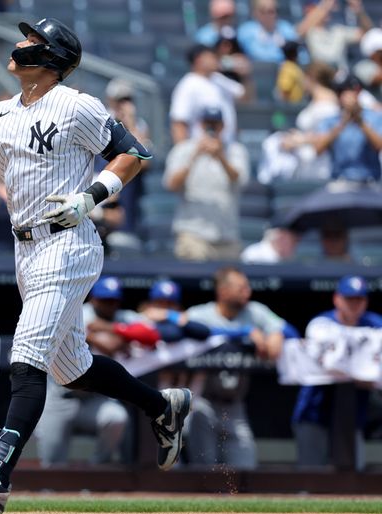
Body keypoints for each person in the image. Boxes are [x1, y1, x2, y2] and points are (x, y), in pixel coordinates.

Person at [0, 17, 192, 514]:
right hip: (26, 249)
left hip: (69, 242)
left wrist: (90, 199)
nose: (19, 44)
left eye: (31, 40)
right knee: (72, 369)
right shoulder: (1, 111)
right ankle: (163, 407)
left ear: (50, 58)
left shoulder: (77, 105)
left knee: (26, 355)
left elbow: (132, 154)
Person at [184, 266, 286, 469]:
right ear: (223, 291)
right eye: (241, 288)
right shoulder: (201, 313)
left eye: (247, 287)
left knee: (245, 465)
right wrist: (244, 332)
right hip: (203, 403)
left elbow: (282, 328)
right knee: (204, 468)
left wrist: (275, 336)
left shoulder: (255, 311)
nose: (247, 292)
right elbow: (182, 327)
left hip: (235, 405)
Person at [33, 276, 132, 467]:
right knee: (52, 464)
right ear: (93, 299)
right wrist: (114, 334)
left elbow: (147, 333)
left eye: (114, 301)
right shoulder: (80, 313)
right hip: (60, 396)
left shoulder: (124, 318)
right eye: (105, 300)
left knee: (116, 417)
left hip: (97, 397)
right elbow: (111, 345)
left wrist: (109, 329)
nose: (110, 305)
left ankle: (98, 468)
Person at [292, 275, 382, 469]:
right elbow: (334, 365)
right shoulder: (321, 324)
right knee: (310, 476)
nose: (355, 305)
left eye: (360, 299)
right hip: (315, 410)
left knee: (352, 474)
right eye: (350, 299)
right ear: (337, 299)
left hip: (353, 411)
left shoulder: (375, 323)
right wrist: (365, 371)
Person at [164, 106, 250, 261]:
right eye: (207, 123)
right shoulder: (184, 149)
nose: (211, 128)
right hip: (193, 234)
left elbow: (239, 179)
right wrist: (195, 156)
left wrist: (221, 157)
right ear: (200, 125)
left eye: (215, 124)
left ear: (223, 126)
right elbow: (172, 184)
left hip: (226, 236)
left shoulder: (236, 151)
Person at [313, 74, 382, 183]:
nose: (342, 96)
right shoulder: (330, 121)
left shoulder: (374, 117)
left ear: (358, 91)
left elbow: (379, 146)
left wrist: (359, 121)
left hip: (370, 180)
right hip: (340, 181)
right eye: (338, 92)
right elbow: (318, 149)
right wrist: (342, 123)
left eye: (346, 90)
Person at [169, 44, 243, 144]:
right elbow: (179, 123)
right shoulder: (187, 84)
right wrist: (184, 153)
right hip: (201, 150)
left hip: (226, 148)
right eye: (211, 56)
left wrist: (245, 75)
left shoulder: (219, 79)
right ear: (198, 59)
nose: (216, 59)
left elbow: (245, 97)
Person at [297, 0, 372, 72]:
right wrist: (326, 5)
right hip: (320, 77)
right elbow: (300, 30)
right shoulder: (309, 31)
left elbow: (368, 33)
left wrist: (358, 9)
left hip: (340, 78)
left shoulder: (338, 30)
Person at [237, 0, 301, 64]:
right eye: (263, 11)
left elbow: (299, 54)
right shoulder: (246, 30)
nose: (268, 15)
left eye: (272, 11)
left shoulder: (285, 28)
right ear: (255, 12)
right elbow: (258, 55)